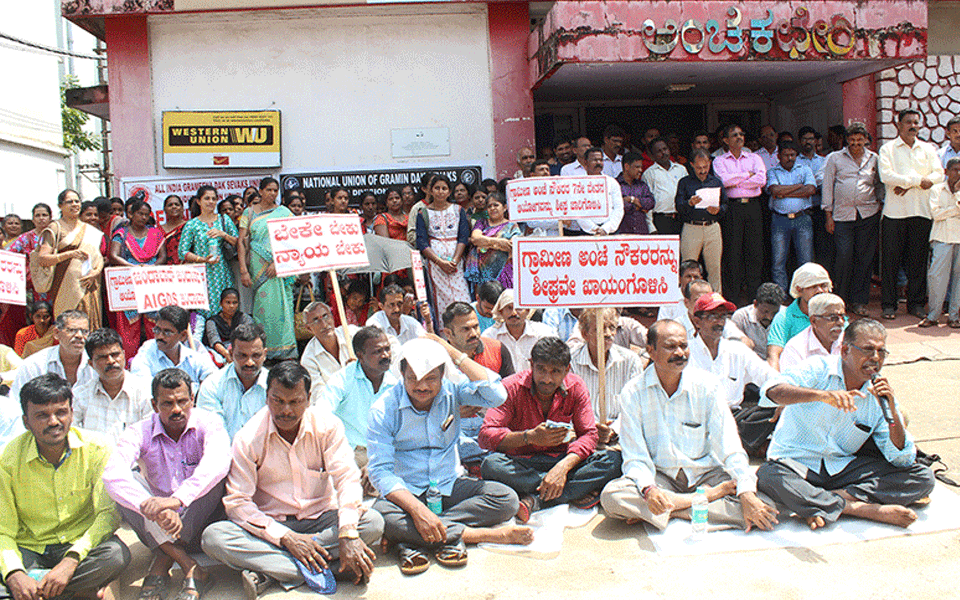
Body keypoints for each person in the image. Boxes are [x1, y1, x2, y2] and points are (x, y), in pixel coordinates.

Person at [202, 361, 384, 594]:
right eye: (278, 401)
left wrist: (348, 533)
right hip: (271, 526)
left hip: (321, 520)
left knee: (373, 522)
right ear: (267, 397)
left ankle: (272, 571)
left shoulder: (327, 427)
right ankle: (331, 568)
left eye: (294, 402)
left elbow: (347, 478)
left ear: (308, 399)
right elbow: (238, 504)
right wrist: (287, 538)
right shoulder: (247, 438)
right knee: (214, 538)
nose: (285, 410)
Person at [367, 337, 531, 575]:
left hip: (448, 485)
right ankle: (477, 536)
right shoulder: (383, 409)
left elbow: (497, 395)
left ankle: (411, 539)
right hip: (407, 492)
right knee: (380, 517)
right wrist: (417, 511)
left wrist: (453, 352)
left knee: (506, 499)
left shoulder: (453, 390)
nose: (421, 386)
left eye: (430, 378)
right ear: (401, 374)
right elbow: (380, 472)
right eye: (413, 378)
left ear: (443, 374)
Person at [599, 320, 779, 532]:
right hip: (662, 476)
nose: (679, 353)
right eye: (670, 346)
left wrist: (747, 493)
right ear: (651, 351)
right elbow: (635, 456)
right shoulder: (633, 392)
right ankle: (699, 503)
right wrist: (649, 490)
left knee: (765, 505)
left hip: (706, 473)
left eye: (683, 346)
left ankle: (667, 511)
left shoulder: (707, 386)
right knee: (613, 497)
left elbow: (729, 445)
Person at [757, 319, 935, 530]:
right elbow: (771, 391)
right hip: (796, 462)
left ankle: (820, 503)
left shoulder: (879, 394)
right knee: (767, 476)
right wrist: (821, 396)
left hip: (840, 468)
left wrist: (893, 414)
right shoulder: (818, 368)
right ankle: (859, 509)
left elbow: (901, 459)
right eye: (868, 350)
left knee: (922, 477)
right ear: (845, 351)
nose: (875, 359)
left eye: (881, 352)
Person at [102, 368, 229, 600]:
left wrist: (175, 501)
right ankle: (190, 566)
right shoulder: (139, 430)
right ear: (154, 405)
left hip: (198, 522)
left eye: (182, 401)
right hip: (158, 520)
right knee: (123, 486)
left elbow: (218, 462)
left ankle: (162, 560)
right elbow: (112, 474)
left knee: (214, 479)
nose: (177, 409)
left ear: (193, 399)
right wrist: (152, 506)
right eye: (167, 403)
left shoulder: (208, 422)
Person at [0, 374, 130, 600]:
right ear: (26, 422)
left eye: (60, 412)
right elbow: (4, 530)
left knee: (116, 555)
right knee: (7, 573)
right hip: (30, 546)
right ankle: (73, 591)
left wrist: (71, 560)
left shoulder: (98, 448)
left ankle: (38, 591)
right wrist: (15, 574)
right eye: (42, 415)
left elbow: (107, 515)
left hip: (79, 545)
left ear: (71, 413)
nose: (53, 422)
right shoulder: (7, 459)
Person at [479, 337, 621, 520]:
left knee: (613, 460)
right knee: (491, 466)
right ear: (531, 365)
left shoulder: (576, 387)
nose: (547, 379)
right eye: (541, 370)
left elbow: (588, 434)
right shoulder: (511, 387)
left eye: (555, 372)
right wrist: (528, 437)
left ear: (567, 370)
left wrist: (562, 469)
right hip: (522, 461)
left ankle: (535, 500)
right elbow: (485, 435)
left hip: (563, 460)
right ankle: (572, 491)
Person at [878, 109, 945, 320]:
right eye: (908, 122)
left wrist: (906, 183)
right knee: (890, 262)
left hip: (921, 212)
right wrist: (918, 182)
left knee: (918, 261)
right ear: (898, 125)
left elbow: (938, 175)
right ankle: (889, 305)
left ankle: (916, 304)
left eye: (916, 122)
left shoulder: (927, 149)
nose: (913, 125)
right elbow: (886, 176)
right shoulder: (888, 149)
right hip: (895, 214)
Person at [318, 326, 398, 492]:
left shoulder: (395, 384)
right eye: (378, 351)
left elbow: (401, 430)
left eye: (387, 349)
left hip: (383, 455)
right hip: (349, 454)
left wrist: (376, 462)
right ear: (360, 356)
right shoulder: (342, 380)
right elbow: (321, 417)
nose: (385, 355)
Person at [441, 302, 516, 469]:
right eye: (465, 329)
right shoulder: (436, 359)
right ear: (448, 333)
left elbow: (512, 398)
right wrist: (453, 412)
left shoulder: (496, 349)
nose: (473, 333)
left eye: (475, 326)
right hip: (452, 434)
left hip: (493, 428)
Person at [822, 123, 884, 317]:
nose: (856, 144)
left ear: (866, 139)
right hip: (842, 216)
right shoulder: (834, 158)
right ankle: (841, 299)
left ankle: (859, 301)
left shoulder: (874, 159)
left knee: (864, 259)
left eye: (860, 140)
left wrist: (880, 205)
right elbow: (827, 186)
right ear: (846, 140)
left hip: (868, 214)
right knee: (844, 257)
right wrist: (828, 216)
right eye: (852, 140)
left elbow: (879, 184)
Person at [239, 177, 297, 360]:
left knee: (282, 307)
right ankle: (264, 351)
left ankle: (285, 351)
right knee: (262, 308)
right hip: (257, 268)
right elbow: (241, 242)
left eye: (275, 190)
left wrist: (278, 261)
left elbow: (293, 239)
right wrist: (243, 270)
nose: (273, 194)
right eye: (269, 190)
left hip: (279, 267)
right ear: (261, 191)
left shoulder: (284, 212)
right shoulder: (248, 213)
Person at [568, 309, 643, 445]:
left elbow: (636, 405)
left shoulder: (630, 361)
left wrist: (613, 430)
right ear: (585, 334)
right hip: (579, 437)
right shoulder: (571, 360)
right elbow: (566, 406)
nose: (608, 334)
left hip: (619, 440)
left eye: (612, 328)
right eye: (601, 329)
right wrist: (589, 430)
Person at [36, 189, 105, 328]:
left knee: (89, 326)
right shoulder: (55, 228)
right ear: (60, 206)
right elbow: (42, 259)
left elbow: (98, 258)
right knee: (68, 326)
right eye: (69, 202)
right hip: (64, 286)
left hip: (88, 285)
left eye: (77, 201)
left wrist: (96, 272)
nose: (74, 205)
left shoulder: (88, 229)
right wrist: (69, 254)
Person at [713, 124, 767, 303]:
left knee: (754, 251)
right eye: (734, 135)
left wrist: (738, 179)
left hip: (753, 207)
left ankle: (754, 296)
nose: (739, 137)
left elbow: (761, 179)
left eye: (741, 134)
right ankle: (733, 297)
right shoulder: (719, 160)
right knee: (732, 251)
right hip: (732, 208)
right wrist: (747, 175)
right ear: (726, 140)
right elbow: (724, 181)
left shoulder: (755, 157)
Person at [180, 185, 239, 345]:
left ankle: (226, 345)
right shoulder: (192, 225)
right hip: (202, 275)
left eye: (214, 198)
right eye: (207, 198)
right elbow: (182, 252)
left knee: (226, 308)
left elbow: (239, 242)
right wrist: (202, 259)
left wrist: (223, 234)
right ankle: (203, 347)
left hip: (222, 274)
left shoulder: (224, 220)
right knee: (202, 312)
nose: (211, 202)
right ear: (198, 201)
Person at [109, 196, 167, 357]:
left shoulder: (155, 234)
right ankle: (128, 362)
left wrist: (149, 268)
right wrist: (135, 268)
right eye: (140, 213)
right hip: (127, 283)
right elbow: (113, 256)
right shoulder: (121, 233)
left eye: (146, 214)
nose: (143, 217)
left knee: (154, 324)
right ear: (131, 214)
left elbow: (163, 257)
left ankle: (157, 358)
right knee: (128, 328)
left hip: (151, 282)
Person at [72, 328, 152, 440]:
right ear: (91, 364)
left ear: (124, 355)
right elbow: (73, 437)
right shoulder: (80, 396)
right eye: (102, 357)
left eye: (115, 354)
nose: (111, 361)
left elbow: (150, 439)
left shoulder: (145, 392)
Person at [8, 310, 96, 408]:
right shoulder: (34, 365)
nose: (79, 336)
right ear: (56, 333)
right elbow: (16, 405)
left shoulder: (97, 364)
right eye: (71, 330)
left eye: (84, 332)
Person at [197, 323, 268, 440]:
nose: (249, 362)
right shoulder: (212, 385)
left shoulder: (274, 387)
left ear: (265, 354)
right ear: (231, 354)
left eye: (256, 356)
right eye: (242, 356)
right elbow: (214, 435)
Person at [416, 174, 472, 317]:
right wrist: (440, 262)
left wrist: (454, 261)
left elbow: (463, 237)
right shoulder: (423, 213)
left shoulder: (458, 210)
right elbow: (421, 242)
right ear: (431, 191)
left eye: (444, 188)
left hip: (456, 265)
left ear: (449, 192)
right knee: (441, 303)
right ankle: (445, 336)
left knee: (462, 297)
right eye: (437, 188)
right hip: (436, 266)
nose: (440, 191)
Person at [766, 141, 817, 293]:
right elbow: (774, 190)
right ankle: (781, 294)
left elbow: (811, 190)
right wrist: (798, 186)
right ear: (778, 156)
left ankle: (805, 293)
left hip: (802, 219)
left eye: (793, 155)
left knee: (806, 260)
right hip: (780, 219)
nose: (790, 158)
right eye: (786, 155)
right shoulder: (772, 171)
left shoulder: (805, 169)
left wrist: (784, 192)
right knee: (778, 260)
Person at [675, 149, 726, 293]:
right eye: (699, 168)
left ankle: (716, 300)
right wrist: (689, 203)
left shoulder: (716, 182)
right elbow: (678, 206)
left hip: (712, 226)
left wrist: (719, 210)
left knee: (714, 267)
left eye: (705, 167)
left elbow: (725, 204)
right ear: (692, 165)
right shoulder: (685, 182)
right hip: (692, 227)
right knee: (688, 267)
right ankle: (685, 298)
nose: (703, 171)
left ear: (709, 164)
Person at [766, 263, 833, 369]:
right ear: (799, 289)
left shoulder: (836, 317)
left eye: (823, 286)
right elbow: (774, 355)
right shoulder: (784, 318)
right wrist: (776, 382)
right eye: (813, 286)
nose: (820, 291)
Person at [130, 305, 217, 386]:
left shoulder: (194, 354)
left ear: (183, 335)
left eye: (167, 332)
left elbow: (214, 381)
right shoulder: (147, 350)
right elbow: (142, 384)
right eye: (157, 330)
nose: (160, 336)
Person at [920, 156, 960, 328]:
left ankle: (954, 316)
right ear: (946, 171)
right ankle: (933, 314)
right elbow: (936, 214)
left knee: (959, 279)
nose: (958, 173)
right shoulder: (937, 190)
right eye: (955, 169)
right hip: (942, 238)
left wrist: (957, 194)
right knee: (936, 277)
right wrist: (957, 208)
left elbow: (943, 213)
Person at [481, 289, 557, 373]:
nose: (513, 313)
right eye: (509, 308)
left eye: (519, 308)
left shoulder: (543, 332)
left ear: (527, 310)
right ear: (501, 311)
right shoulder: (490, 336)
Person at [300, 301, 358, 404]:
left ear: (332, 317)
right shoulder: (309, 359)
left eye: (325, 316)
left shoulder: (352, 334)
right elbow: (320, 397)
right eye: (316, 320)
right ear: (309, 328)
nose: (324, 324)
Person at [464, 192, 521, 289]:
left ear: (505, 207)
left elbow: (512, 246)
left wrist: (485, 243)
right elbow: (475, 238)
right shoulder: (482, 222)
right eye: (489, 206)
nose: (492, 208)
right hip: (483, 274)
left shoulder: (512, 226)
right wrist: (499, 242)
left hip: (504, 272)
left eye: (496, 205)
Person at [779, 293, 846, 371]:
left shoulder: (849, 341)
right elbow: (789, 382)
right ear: (814, 321)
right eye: (833, 318)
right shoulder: (795, 349)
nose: (841, 322)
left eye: (843, 317)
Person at [795, 127, 831, 272]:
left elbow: (828, 183)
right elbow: (794, 185)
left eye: (811, 139)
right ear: (799, 141)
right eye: (804, 139)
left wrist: (808, 187)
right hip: (803, 212)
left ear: (816, 141)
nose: (808, 142)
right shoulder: (794, 161)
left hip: (821, 211)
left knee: (824, 251)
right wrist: (811, 187)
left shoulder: (825, 161)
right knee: (804, 254)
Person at [7, 203, 53, 305]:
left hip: (55, 282)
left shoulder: (57, 236)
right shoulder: (25, 238)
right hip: (33, 285)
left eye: (44, 215)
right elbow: (9, 256)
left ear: (50, 218)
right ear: (33, 219)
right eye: (37, 215)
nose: (41, 218)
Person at [570, 148, 624, 236]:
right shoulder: (578, 184)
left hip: (610, 231)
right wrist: (595, 229)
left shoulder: (611, 182)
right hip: (588, 231)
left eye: (600, 160)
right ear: (585, 162)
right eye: (595, 160)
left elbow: (618, 208)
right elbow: (577, 210)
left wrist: (606, 228)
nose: (598, 163)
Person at [642, 138, 688, 235]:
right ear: (652, 156)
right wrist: (651, 226)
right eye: (659, 151)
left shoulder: (681, 169)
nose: (663, 153)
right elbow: (647, 202)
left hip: (682, 219)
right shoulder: (649, 174)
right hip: (661, 220)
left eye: (665, 149)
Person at [731, 283, 785, 360]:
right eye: (765, 312)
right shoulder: (741, 317)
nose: (769, 317)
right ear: (755, 304)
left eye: (774, 313)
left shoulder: (787, 316)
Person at [204, 288, 253, 364]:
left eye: (235, 302)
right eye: (228, 302)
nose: (231, 306)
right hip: (219, 351)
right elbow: (214, 341)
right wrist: (226, 353)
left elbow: (247, 336)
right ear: (221, 303)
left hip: (239, 349)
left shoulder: (244, 318)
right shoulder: (212, 321)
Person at [615, 151, 656, 235]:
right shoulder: (615, 185)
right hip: (622, 234)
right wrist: (640, 207)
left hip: (641, 233)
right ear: (626, 166)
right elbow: (617, 207)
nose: (640, 170)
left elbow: (651, 202)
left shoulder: (642, 185)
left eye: (641, 167)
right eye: (637, 167)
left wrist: (631, 200)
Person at [160, 195, 187, 266]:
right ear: (164, 209)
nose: (174, 207)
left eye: (177, 204)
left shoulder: (189, 227)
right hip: (165, 271)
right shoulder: (158, 230)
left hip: (187, 268)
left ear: (182, 208)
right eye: (170, 205)